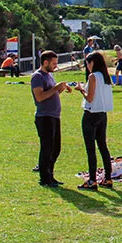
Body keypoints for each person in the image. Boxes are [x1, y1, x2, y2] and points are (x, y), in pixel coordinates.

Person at [31, 50, 72, 187]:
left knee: (56, 148)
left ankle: (50, 175)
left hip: (54, 116)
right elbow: (40, 97)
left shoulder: (49, 76)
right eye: (54, 63)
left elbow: (52, 93)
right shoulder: (37, 77)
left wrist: (61, 88)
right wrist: (55, 88)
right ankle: (44, 178)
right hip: (44, 117)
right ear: (45, 62)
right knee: (47, 148)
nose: (56, 66)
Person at [76, 51, 115, 190]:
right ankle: (108, 178)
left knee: (90, 148)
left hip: (91, 114)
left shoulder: (93, 76)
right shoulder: (105, 76)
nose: (87, 66)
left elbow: (90, 97)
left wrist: (81, 89)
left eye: (88, 63)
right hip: (102, 114)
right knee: (103, 146)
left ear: (92, 63)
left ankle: (92, 180)